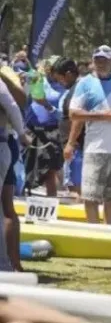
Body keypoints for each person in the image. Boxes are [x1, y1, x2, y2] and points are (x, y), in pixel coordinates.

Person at [67, 45, 111, 225]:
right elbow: (73, 114)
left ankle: (110, 231)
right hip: (95, 148)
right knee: (91, 196)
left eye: (104, 60)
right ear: (93, 61)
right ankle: (93, 229)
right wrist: (103, 116)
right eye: (97, 60)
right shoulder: (85, 83)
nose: (101, 63)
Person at [23, 59, 66, 196]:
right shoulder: (37, 80)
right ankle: (25, 198)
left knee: (49, 170)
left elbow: (63, 115)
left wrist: (48, 105)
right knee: (27, 167)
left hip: (51, 131)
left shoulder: (64, 87)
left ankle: (51, 201)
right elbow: (23, 93)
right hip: (31, 130)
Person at [1, 74, 27, 271]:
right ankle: (11, 264)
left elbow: (15, 103)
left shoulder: (5, 74)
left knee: (6, 205)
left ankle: (12, 264)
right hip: (6, 142)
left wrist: (22, 134)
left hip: (6, 141)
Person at [51, 59, 82, 197]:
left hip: (76, 146)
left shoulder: (78, 90)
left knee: (77, 188)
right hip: (74, 146)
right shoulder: (74, 89)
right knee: (74, 186)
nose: (59, 84)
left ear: (69, 74)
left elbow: (77, 118)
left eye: (60, 80)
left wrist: (70, 143)